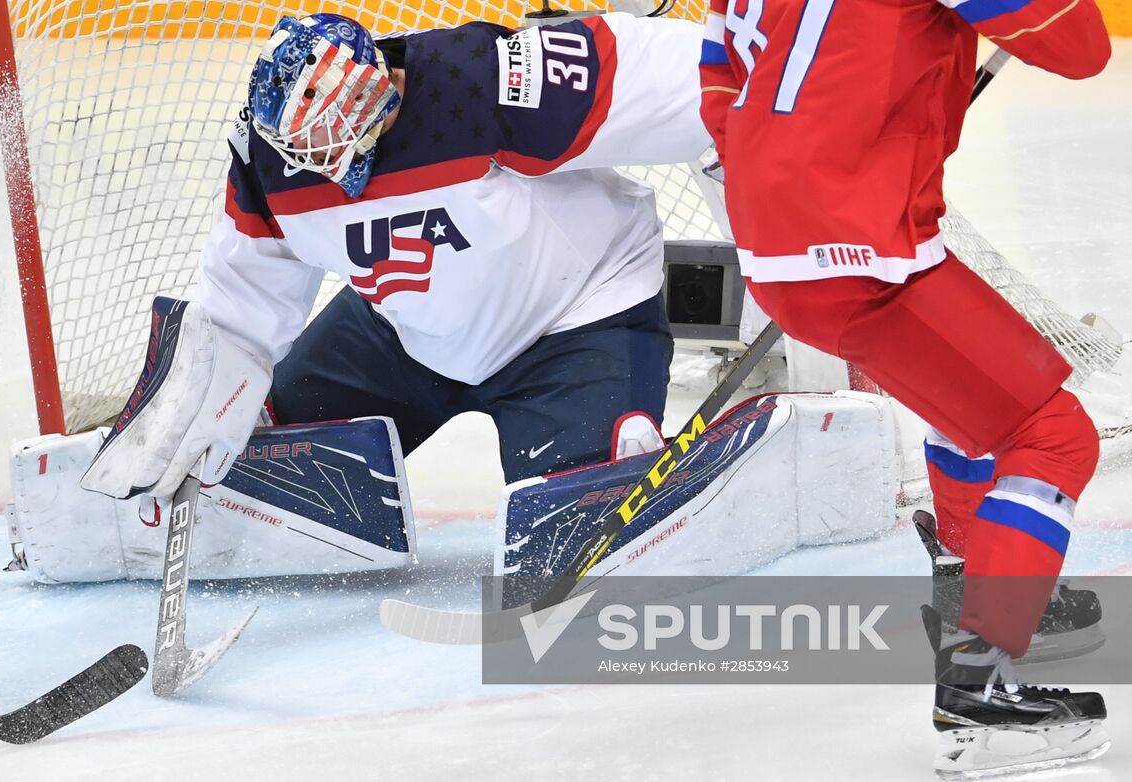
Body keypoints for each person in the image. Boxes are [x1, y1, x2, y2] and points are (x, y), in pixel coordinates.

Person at [698, 0, 1112, 773]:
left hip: (785, 233)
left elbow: (719, 62)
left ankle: (981, 584)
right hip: (856, 250)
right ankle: (981, 687)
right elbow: (1082, 49)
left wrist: (793, 164)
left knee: (972, 401)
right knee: (1054, 436)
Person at [79, 11, 712, 505]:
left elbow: (686, 76)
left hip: (575, 319)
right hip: (402, 330)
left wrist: (765, 114)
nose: (321, 169)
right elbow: (247, 288)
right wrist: (215, 383)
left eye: (334, 142)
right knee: (261, 460)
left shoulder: (488, 81)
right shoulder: (269, 157)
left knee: (573, 522)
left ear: (376, 95)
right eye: (305, 151)